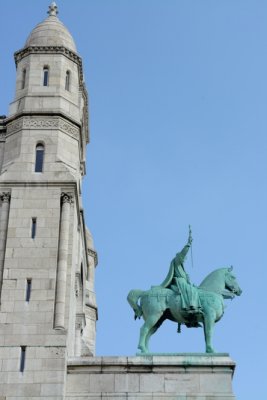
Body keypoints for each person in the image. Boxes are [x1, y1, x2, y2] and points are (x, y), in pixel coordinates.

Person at [159, 227, 202, 315]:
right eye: (184, 258)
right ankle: (191, 306)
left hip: (183, 282)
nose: (184, 259)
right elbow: (183, 253)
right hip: (179, 282)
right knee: (190, 289)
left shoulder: (182, 267)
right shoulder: (177, 261)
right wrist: (188, 244)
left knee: (193, 288)